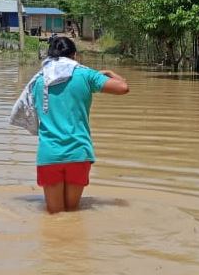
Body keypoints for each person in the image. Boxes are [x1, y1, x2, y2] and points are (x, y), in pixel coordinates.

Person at [30, 36, 128, 213]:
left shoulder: (38, 82)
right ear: (75, 55)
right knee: (73, 213)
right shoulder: (86, 75)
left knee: (54, 215)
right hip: (79, 152)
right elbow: (123, 88)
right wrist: (111, 74)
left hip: (50, 154)